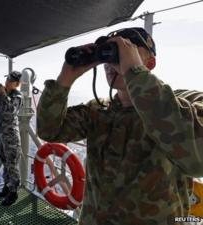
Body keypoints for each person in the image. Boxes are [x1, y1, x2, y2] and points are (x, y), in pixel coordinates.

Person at [37, 27, 203, 224]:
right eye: (110, 53)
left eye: (125, 49)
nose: (111, 62)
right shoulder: (98, 110)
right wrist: (66, 78)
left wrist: (134, 71)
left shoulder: (185, 102)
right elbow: (49, 130)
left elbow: (197, 160)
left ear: (150, 63)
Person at [0, 71, 23, 206]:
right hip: (0, 133)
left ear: (17, 84)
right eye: (7, 80)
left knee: (12, 164)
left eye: (11, 81)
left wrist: (3, 94)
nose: (7, 82)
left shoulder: (17, 96)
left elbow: (11, 110)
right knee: (4, 162)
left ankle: (13, 192)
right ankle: (6, 186)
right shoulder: (2, 92)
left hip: (10, 135)